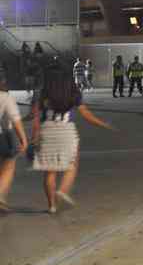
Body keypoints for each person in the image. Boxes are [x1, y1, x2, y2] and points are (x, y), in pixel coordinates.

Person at [30, 65, 116, 213]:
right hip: (66, 129)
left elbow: (35, 115)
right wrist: (103, 124)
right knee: (72, 164)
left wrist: (35, 134)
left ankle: (51, 206)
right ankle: (62, 191)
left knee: (50, 171)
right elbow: (86, 114)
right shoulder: (72, 90)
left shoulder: (43, 91)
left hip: (47, 129)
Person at [0, 69, 30, 212]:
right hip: (3, 137)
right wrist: (23, 139)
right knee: (9, 165)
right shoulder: (5, 97)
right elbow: (15, 119)